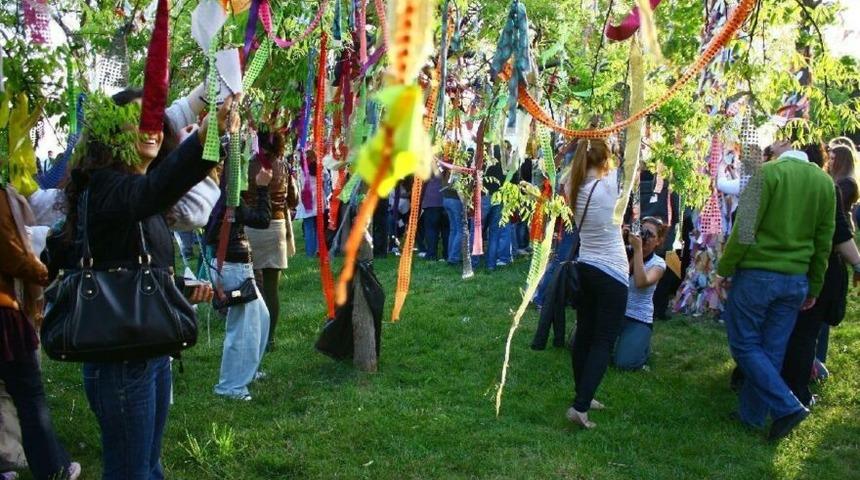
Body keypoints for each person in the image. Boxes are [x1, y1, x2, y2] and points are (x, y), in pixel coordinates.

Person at [58, 89, 223, 479]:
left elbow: (128, 267)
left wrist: (181, 288)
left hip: (147, 348)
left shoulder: (137, 193)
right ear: (112, 136)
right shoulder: (106, 187)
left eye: (154, 120)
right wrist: (202, 139)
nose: (150, 128)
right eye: (137, 120)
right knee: (131, 471)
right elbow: (152, 192)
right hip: (120, 358)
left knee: (148, 466)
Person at [716, 137, 836, 441]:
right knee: (771, 349)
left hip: (759, 275)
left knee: (744, 343)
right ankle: (752, 416)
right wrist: (815, 285)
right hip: (796, 279)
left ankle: (787, 407)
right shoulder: (824, 183)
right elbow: (824, 242)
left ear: (788, 143)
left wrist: (724, 269)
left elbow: (745, 230)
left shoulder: (767, 174)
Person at [1, 184, 80, 480]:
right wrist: (42, 270)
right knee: (29, 392)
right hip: (3, 313)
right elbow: (10, 252)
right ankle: (53, 468)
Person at [566, 139, 628, 429]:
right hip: (612, 273)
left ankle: (584, 395)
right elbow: (633, 159)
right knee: (603, 340)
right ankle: (580, 407)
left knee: (585, 334)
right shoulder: (610, 185)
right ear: (606, 161)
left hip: (586, 268)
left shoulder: (572, 186)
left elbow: (570, 172)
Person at [206, 163, 273, 401]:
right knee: (242, 330)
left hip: (234, 267)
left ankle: (247, 372)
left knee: (261, 319)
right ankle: (231, 386)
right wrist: (263, 188)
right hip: (234, 268)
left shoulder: (220, 198)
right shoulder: (227, 199)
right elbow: (263, 219)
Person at [244, 128, 289, 352]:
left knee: (251, 283)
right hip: (277, 226)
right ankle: (269, 338)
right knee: (271, 288)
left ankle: (254, 333)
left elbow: (240, 193)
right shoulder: (284, 165)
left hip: (252, 224)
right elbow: (293, 197)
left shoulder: (248, 163)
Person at [614, 217, 668, 370]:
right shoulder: (624, 251)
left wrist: (638, 250)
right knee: (582, 346)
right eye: (642, 232)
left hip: (638, 318)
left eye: (650, 235)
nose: (645, 238)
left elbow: (641, 282)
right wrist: (619, 237)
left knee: (623, 363)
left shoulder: (658, 264)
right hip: (615, 313)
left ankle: (642, 349)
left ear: (658, 241)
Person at [421, 174, 448, 261]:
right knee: (447, 230)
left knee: (431, 229)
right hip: (447, 198)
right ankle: (447, 254)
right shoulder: (453, 161)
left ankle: (431, 255)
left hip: (431, 200)